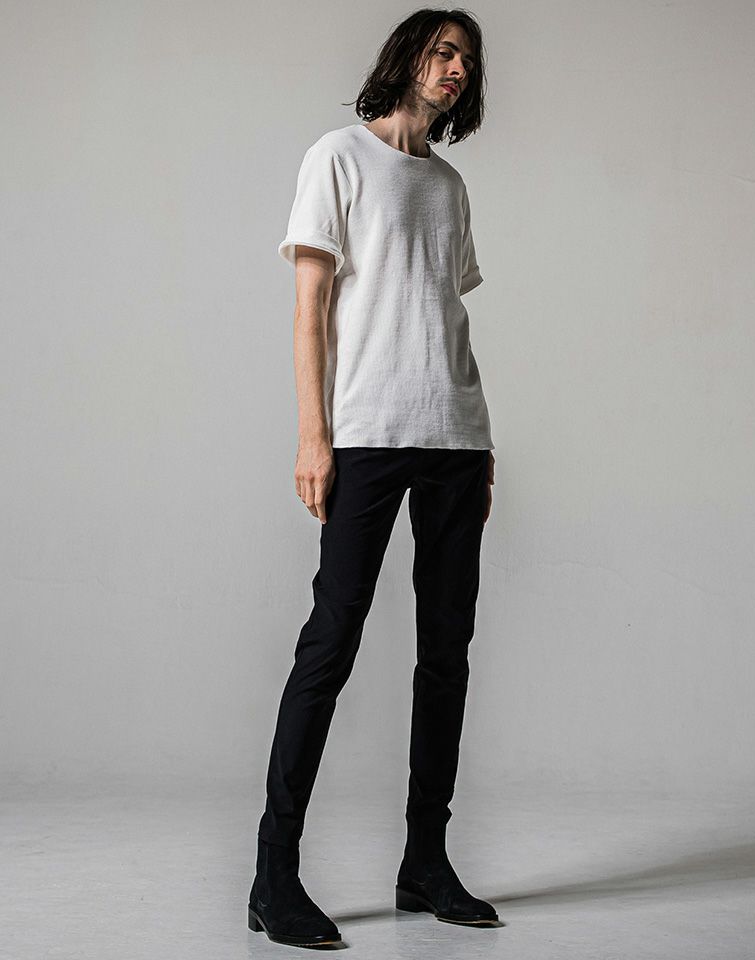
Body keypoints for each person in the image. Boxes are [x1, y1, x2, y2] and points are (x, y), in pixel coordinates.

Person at [248, 8, 499, 948]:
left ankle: (424, 864)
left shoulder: (450, 185)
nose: (455, 69)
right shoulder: (338, 158)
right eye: (443, 51)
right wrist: (313, 437)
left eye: (467, 60)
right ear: (407, 56)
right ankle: (273, 876)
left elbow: (443, 317)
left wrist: (481, 440)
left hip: (455, 436)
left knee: (447, 653)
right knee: (332, 641)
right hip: (365, 435)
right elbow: (311, 309)